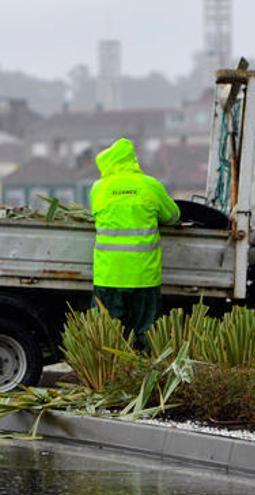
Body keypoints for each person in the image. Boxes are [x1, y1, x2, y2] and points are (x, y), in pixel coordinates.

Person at [90, 138, 180, 349]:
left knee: (108, 339)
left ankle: (112, 379)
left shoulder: (98, 188)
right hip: (144, 276)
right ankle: (145, 377)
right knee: (147, 335)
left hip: (109, 276)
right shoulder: (150, 186)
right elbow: (173, 216)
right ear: (132, 160)